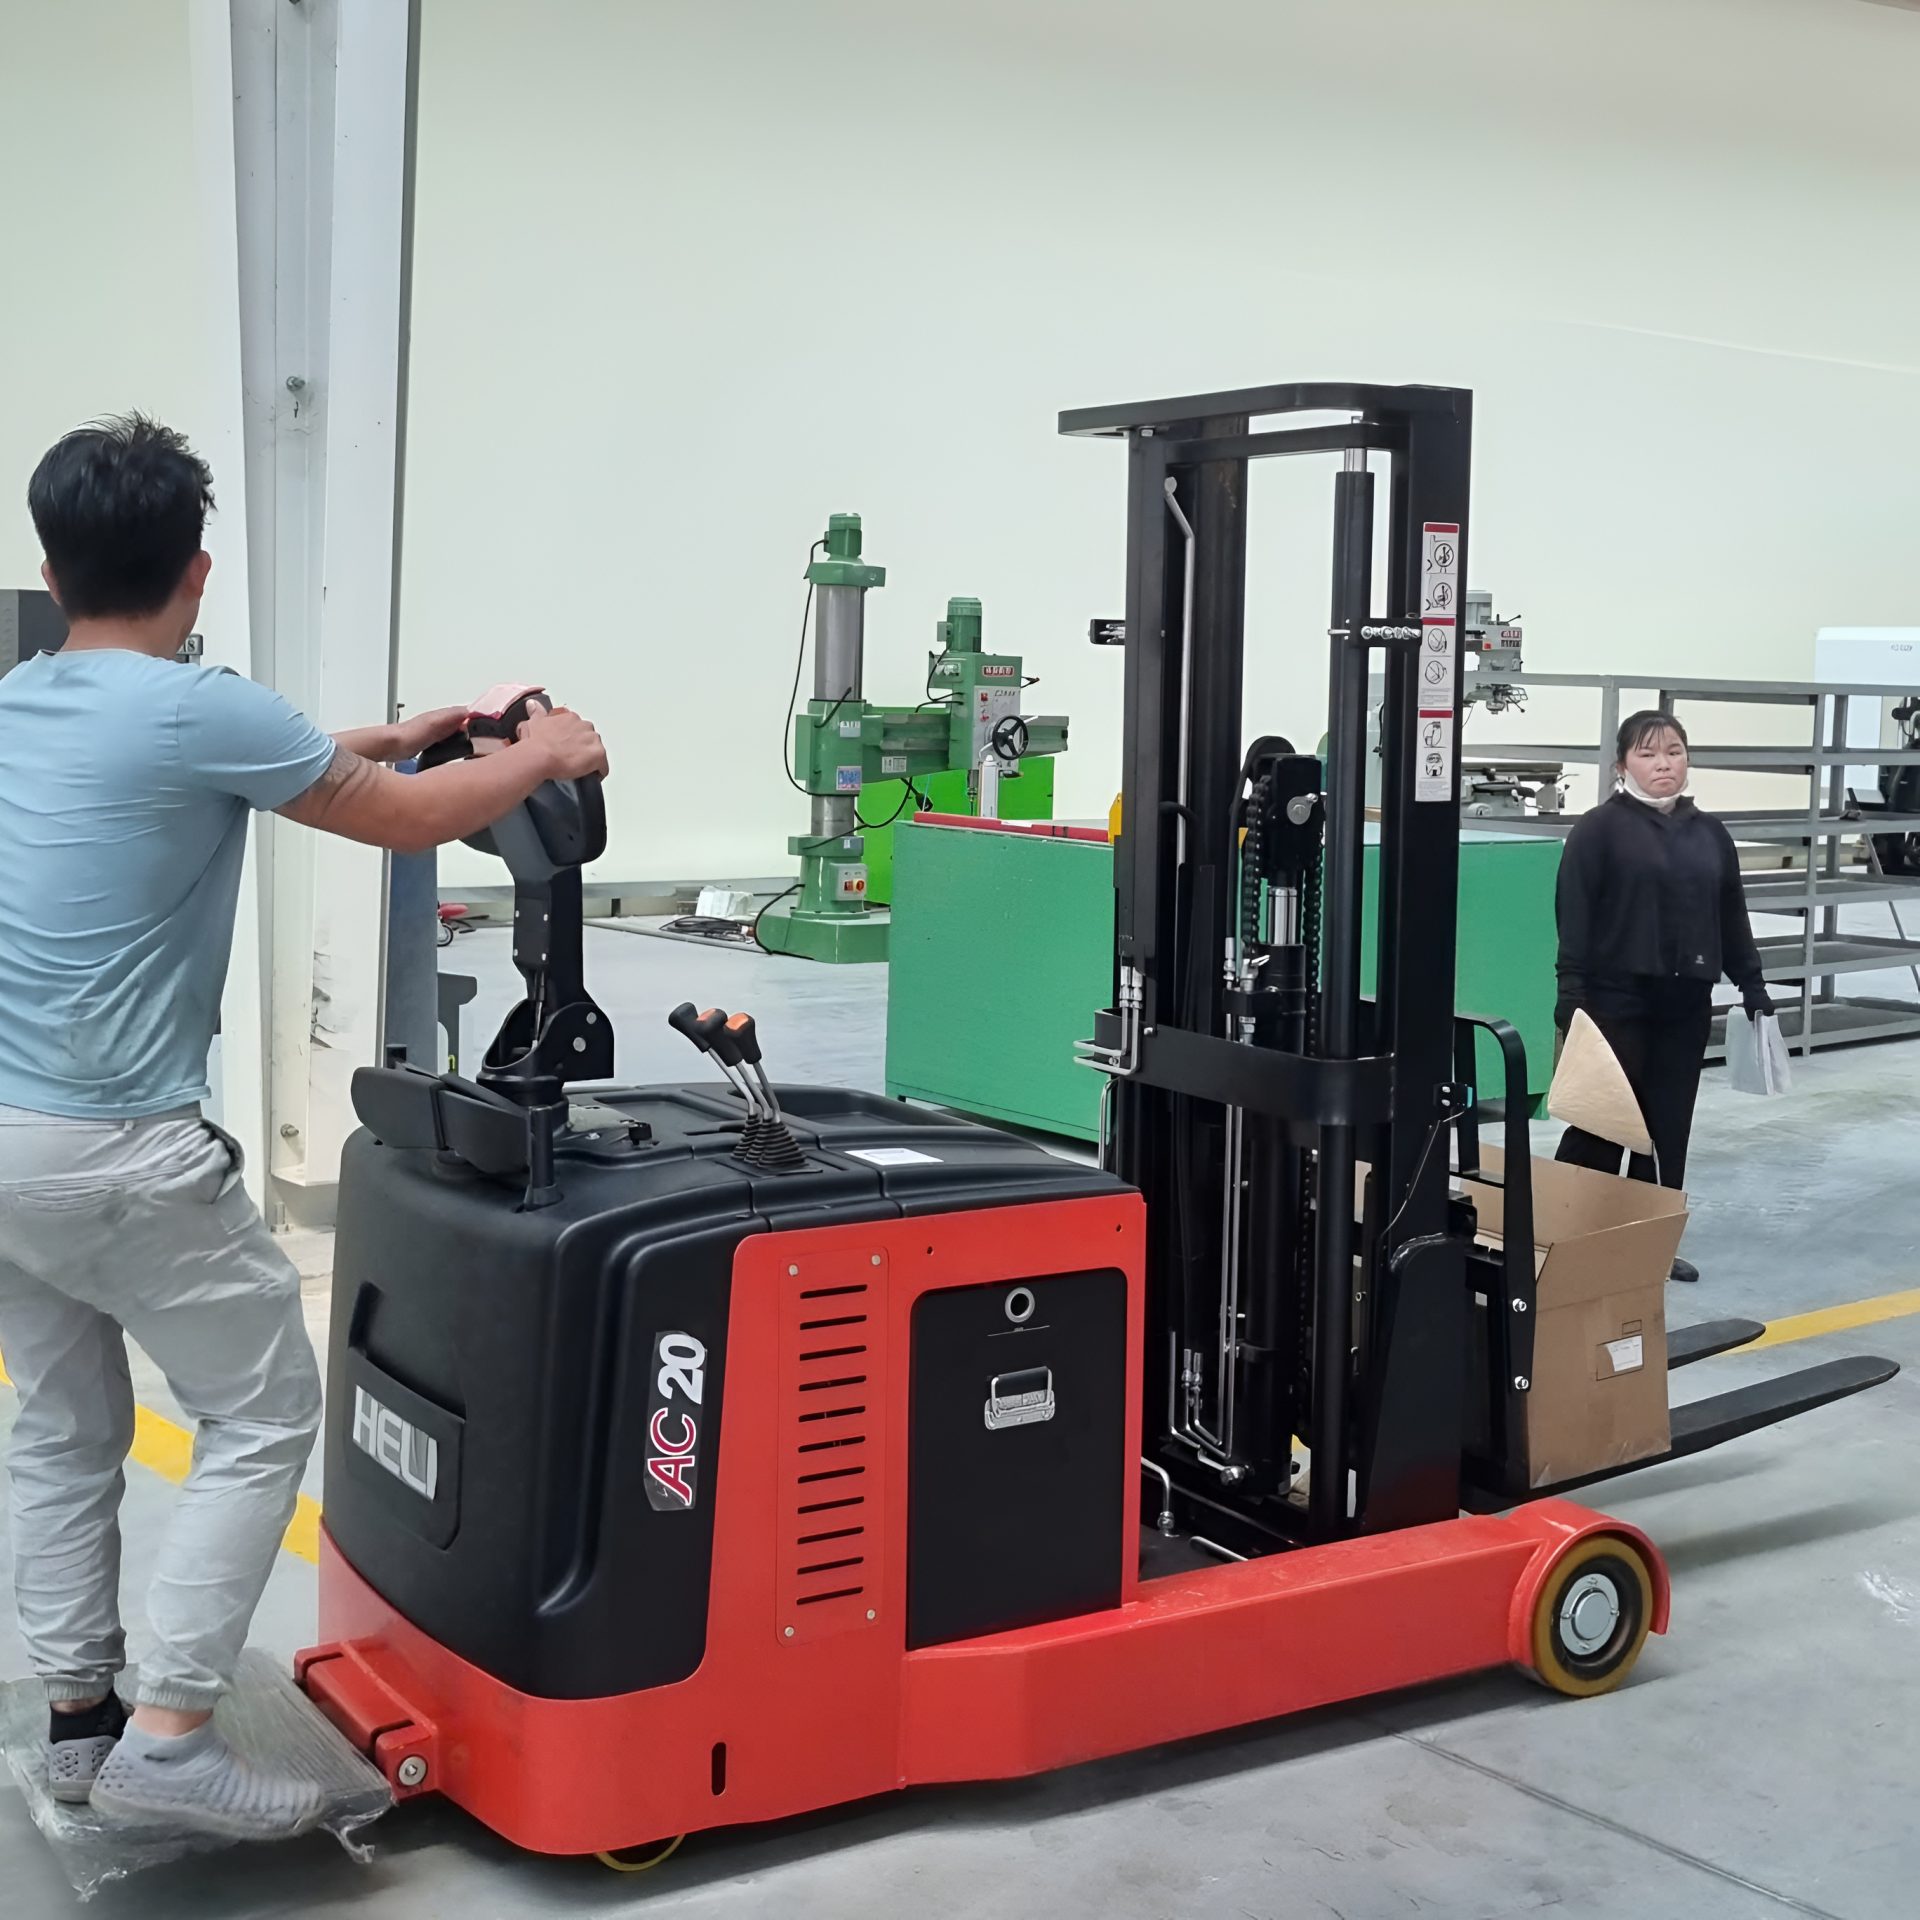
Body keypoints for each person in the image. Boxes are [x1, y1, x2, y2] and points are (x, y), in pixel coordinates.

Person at [0, 415, 608, 1838]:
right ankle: (170, 1740)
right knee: (264, 1407)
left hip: (4, 1143)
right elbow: (403, 824)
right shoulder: (198, 706)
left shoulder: (26, 695)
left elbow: (249, 764)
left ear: (54, 568)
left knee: (63, 1428)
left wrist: (388, 740)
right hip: (118, 1153)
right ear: (198, 571)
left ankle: (81, 1723)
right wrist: (541, 754)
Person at [1553, 710, 1773, 1282]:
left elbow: (1731, 913)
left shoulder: (1710, 833)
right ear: (1621, 765)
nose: (1663, 764)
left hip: (1684, 1007)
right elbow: (1574, 915)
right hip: (1614, 1004)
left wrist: (1752, 982)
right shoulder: (1598, 829)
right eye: (1648, 754)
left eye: (1673, 752)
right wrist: (1571, 991)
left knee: (1666, 1131)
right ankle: (1569, 1241)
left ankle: (1648, 1247)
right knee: (1601, 1127)